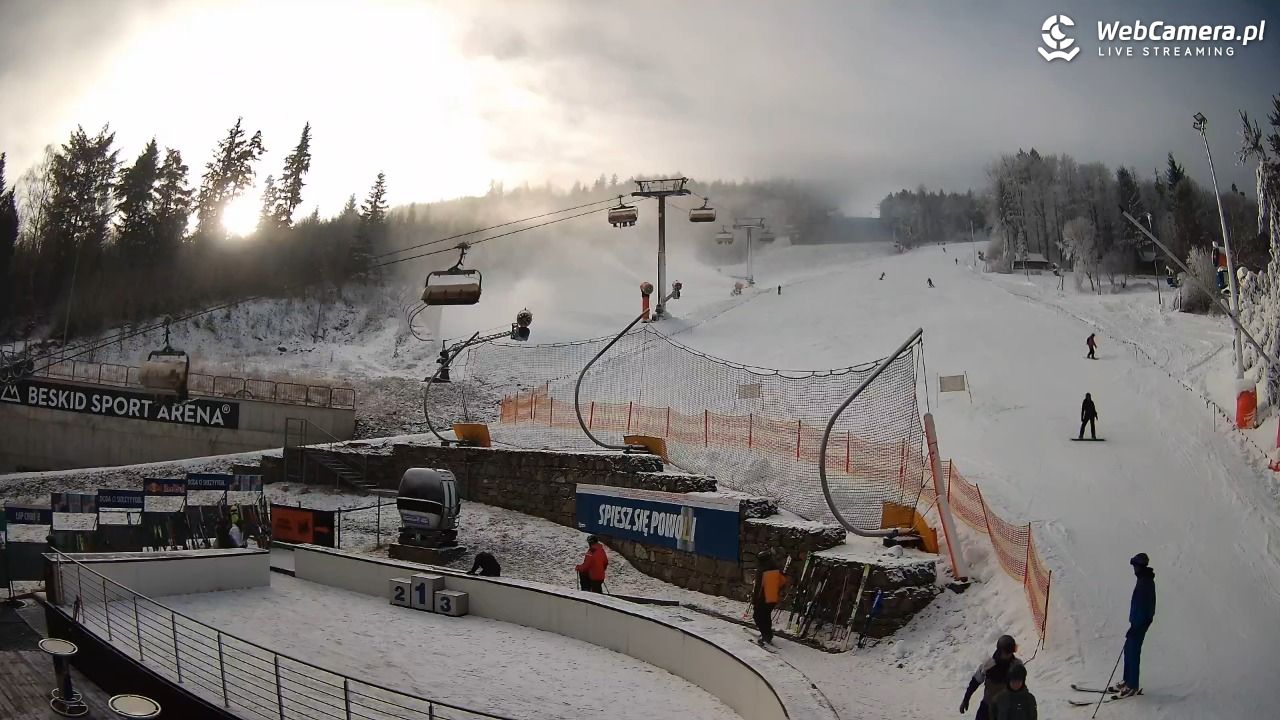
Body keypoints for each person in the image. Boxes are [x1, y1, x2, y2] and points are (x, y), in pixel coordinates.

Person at [1112, 553, 1155, 698]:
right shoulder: (1143, 580)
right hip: (1137, 622)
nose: (1134, 569)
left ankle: (1132, 685)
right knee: (1128, 649)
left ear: (1140, 566)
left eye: (1135, 566)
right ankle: (1128, 680)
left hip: (1140, 623)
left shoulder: (1145, 583)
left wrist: (1136, 625)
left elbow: (1144, 607)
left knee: (1133, 651)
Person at [959, 635, 1023, 719]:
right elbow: (975, 682)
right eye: (1007, 652)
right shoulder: (988, 665)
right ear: (1000, 651)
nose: (1010, 655)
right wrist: (966, 699)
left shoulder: (1016, 665)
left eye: (1012, 651)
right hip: (987, 706)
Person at [752, 552, 788, 646]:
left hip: (763, 597)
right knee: (765, 616)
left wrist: (755, 599)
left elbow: (758, 587)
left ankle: (766, 636)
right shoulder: (774, 567)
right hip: (772, 597)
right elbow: (783, 580)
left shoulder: (762, 569)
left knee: (758, 616)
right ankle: (767, 634)